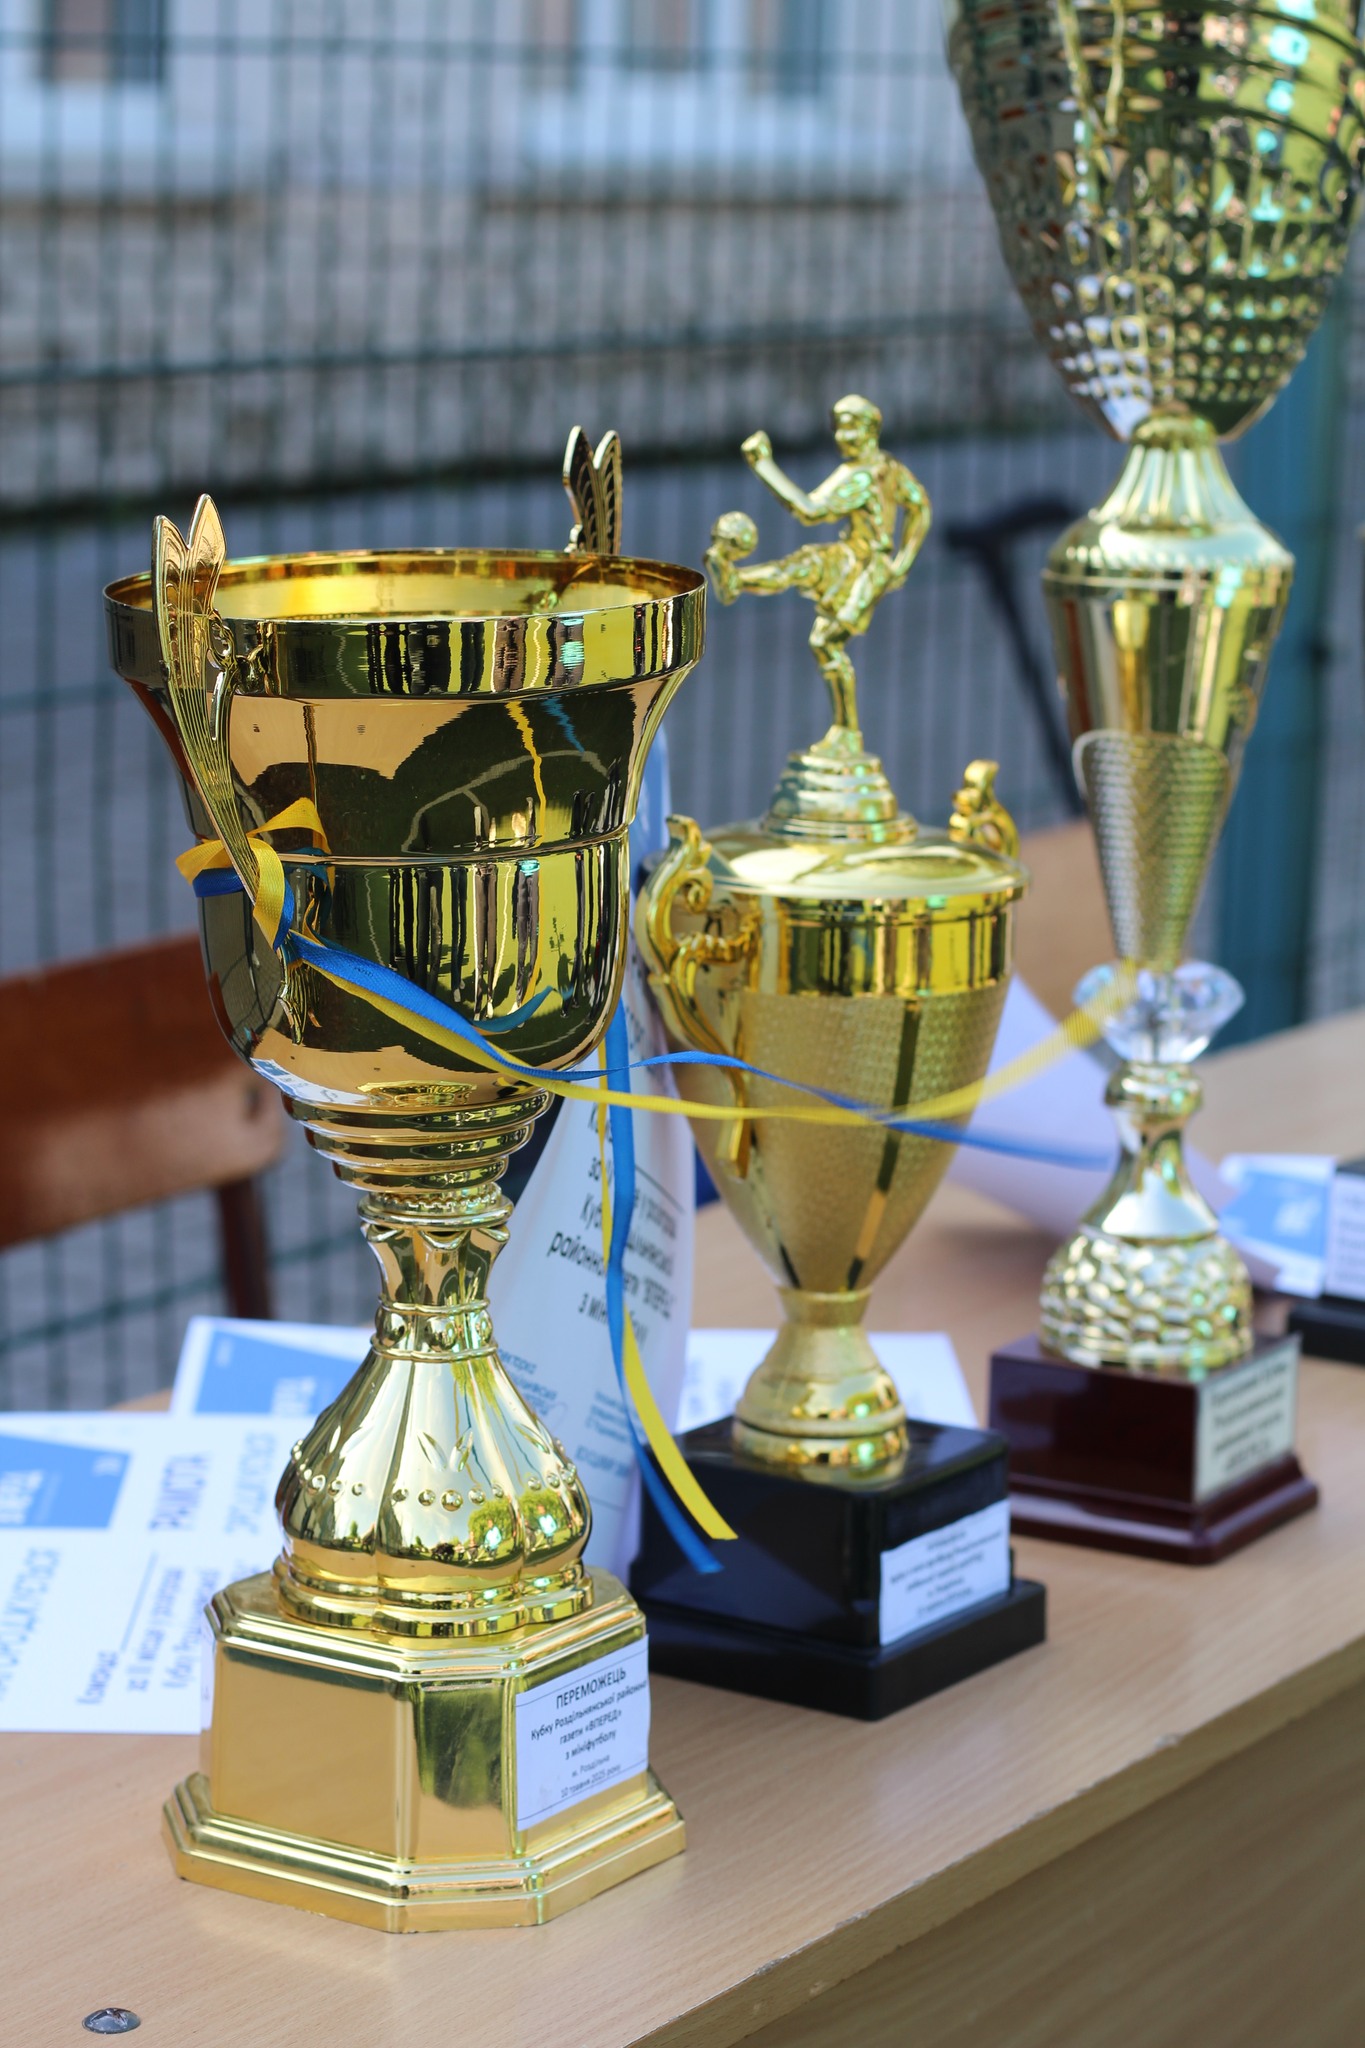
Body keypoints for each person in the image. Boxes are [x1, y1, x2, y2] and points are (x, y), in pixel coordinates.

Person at [705, 394, 931, 734]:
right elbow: (919, 507)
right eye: (838, 428)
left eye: (850, 428)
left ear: (870, 430)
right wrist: (904, 560)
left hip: (867, 568)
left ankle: (846, 730)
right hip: (852, 555)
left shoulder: (861, 476)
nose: (842, 437)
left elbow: (809, 511)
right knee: (802, 565)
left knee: (825, 641)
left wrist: (763, 464)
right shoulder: (887, 467)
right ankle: (735, 581)